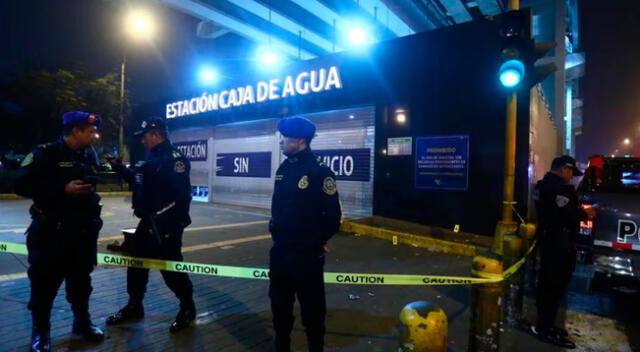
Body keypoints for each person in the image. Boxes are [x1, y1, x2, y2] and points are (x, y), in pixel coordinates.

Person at [14, 111, 105, 352]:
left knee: (81, 284)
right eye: (89, 130)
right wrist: (62, 188)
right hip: (51, 233)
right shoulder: (45, 152)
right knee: (44, 286)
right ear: (75, 131)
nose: (94, 135)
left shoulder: (88, 153)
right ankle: (41, 333)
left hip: (82, 233)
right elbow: (20, 184)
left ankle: (82, 324)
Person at [105, 117, 195, 333]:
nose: (142, 141)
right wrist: (119, 168)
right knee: (136, 264)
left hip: (167, 225)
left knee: (170, 268)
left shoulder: (174, 159)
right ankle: (135, 306)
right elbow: (139, 179)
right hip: (147, 222)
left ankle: (187, 308)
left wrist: (167, 222)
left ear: (155, 135)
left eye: (144, 136)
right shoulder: (151, 155)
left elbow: (183, 196)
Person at [269, 116, 342, 352]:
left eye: (285, 137)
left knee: (312, 312)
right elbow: (278, 208)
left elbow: (332, 216)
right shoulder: (284, 168)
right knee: (280, 309)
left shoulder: (319, 171)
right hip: (280, 253)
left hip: (306, 257)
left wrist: (317, 241)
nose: (281, 142)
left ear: (299, 140)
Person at [531, 155, 596, 349]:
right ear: (563, 169)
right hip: (559, 246)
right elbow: (567, 216)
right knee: (554, 288)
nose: (572, 178)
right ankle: (545, 329)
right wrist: (586, 213)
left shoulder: (541, 185)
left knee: (547, 286)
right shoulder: (559, 189)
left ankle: (545, 324)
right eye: (571, 173)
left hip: (549, 242)